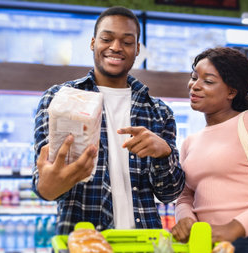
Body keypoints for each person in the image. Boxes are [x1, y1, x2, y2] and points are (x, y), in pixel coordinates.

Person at [32, 6, 185, 235]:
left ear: (137, 49)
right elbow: (45, 186)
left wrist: (163, 153)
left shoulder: (159, 112)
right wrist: (49, 184)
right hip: (84, 243)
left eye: (126, 41)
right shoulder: (59, 99)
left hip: (144, 244)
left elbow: (169, 194)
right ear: (93, 42)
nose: (116, 47)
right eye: (107, 38)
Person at [171, 47, 248, 253]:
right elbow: (185, 197)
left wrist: (235, 228)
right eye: (194, 77)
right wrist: (186, 219)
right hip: (205, 244)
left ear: (231, 91)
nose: (195, 86)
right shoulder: (190, 142)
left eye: (208, 81)